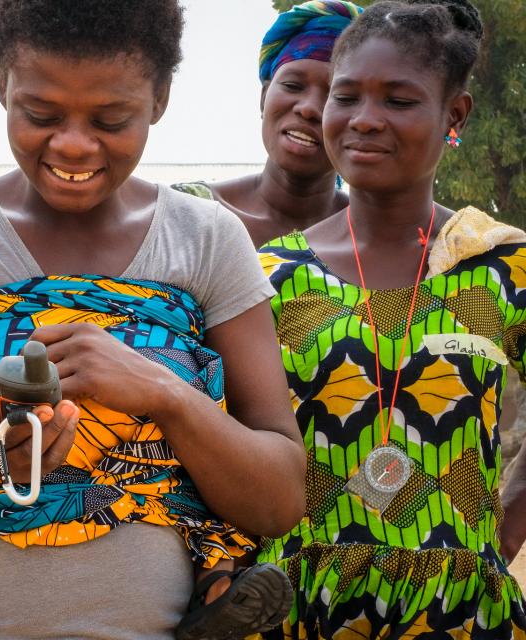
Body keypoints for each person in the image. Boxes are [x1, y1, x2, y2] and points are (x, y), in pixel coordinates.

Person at [0, 2, 305, 639]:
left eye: (111, 119)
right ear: (3, 85)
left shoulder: (208, 241)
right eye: (41, 115)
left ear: (159, 98)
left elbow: (277, 499)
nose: (73, 144)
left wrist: (163, 395)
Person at [255, 0, 526, 636]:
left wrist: (500, 534)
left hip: (459, 616)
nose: (364, 120)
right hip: (295, 611)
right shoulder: (269, 275)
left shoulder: (498, 264)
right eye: (346, 98)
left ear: (453, 115)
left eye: (399, 101)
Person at [173, 0, 361, 248]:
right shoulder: (185, 214)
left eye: (335, 96)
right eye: (293, 86)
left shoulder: (380, 237)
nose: (308, 108)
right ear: (264, 96)